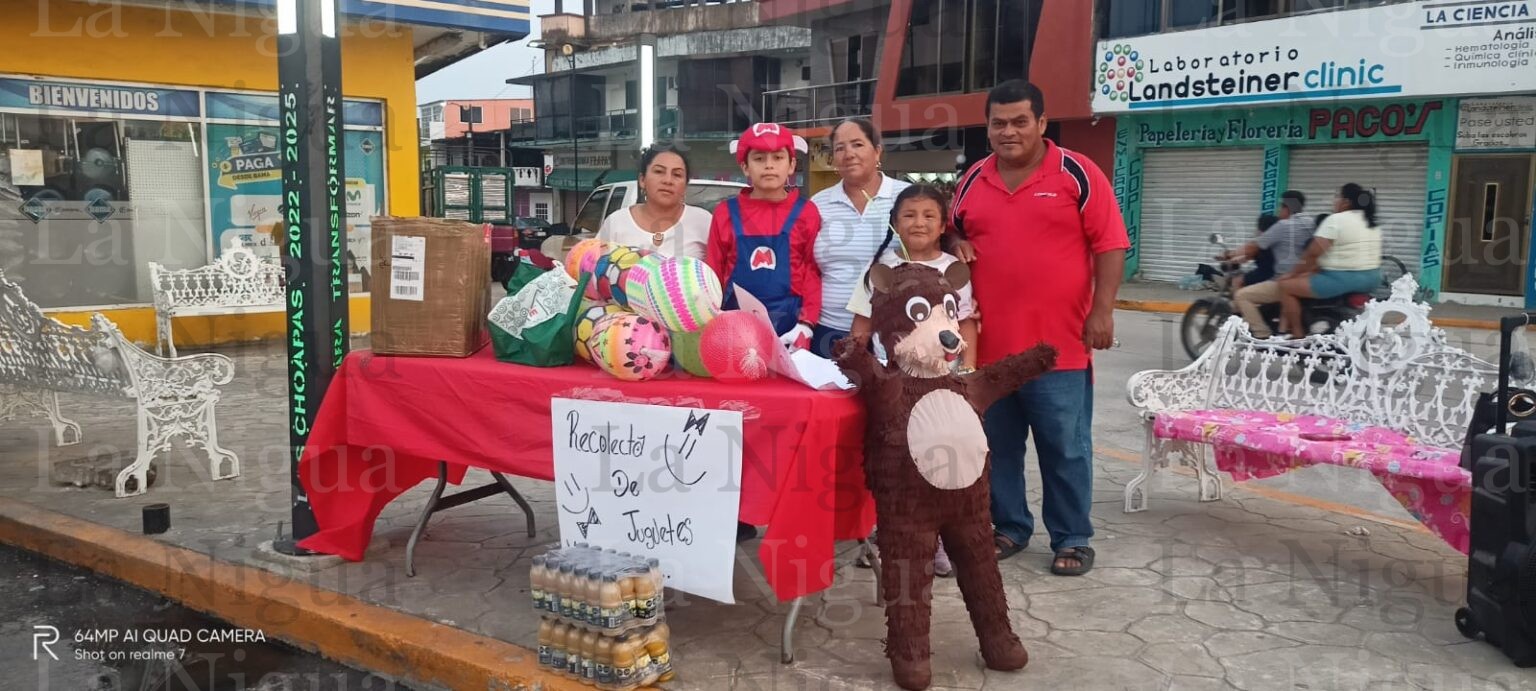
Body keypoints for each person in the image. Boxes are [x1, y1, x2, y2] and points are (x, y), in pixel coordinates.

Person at [949, 80, 1129, 576]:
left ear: (1042, 124)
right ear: (987, 128)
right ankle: (1009, 526)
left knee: (1065, 447)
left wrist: (1103, 310)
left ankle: (1072, 537)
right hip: (989, 352)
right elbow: (953, 229)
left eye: (1020, 121)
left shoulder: (1077, 173)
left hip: (1059, 349)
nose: (1008, 132)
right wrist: (956, 238)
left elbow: (1111, 242)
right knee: (996, 448)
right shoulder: (971, 181)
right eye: (998, 123)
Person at [844, 184, 976, 579]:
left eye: (928, 216)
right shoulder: (879, 273)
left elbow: (966, 322)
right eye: (909, 215)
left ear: (941, 226)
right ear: (895, 223)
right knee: (895, 463)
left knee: (936, 463)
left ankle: (935, 542)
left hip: (943, 386)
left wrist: (968, 371)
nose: (918, 223)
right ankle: (888, 537)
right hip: (894, 384)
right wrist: (857, 370)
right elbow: (861, 328)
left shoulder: (952, 271)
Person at [705, 122, 824, 352]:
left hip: (791, 329)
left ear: (791, 165)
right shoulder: (725, 212)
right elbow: (712, 273)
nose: (769, 166)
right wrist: (711, 318)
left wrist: (806, 325)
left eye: (778, 158)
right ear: (745, 167)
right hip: (734, 327)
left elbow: (812, 271)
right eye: (759, 158)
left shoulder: (807, 212)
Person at [810, 118, 911, 358]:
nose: (849, 154)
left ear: (877, 151)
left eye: (857, 144)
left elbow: (934, 247)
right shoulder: (818, 204)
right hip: (829, 330)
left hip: (894, 331)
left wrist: (958, 243)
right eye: (840, 148)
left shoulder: (907, 197)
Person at [1277, 183, 1383, 337]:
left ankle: (1297, 333)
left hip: (1341, 279)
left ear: (1346, 202)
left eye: (1337, 196)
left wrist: (1292, 274)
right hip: (1372, 278)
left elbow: (1313, 254)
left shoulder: (1336, 220)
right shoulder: (1372, 223)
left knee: (1285, 287)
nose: (1334, 200)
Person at [597, 143, 711, 259]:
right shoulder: (616, 222)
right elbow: (592, 268)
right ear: (642, 180)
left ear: (685, 185)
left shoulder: (704, 222)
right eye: (659, 172)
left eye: (677, 174)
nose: (668, 180)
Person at [1229, 191, 1317, 338]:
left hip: (1284, 281)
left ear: (1286, 207)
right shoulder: (1311, 223)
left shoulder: (1283, 225)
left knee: (1241, 295)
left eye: (1280, 206)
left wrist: (1230, 254)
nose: (1279, 211)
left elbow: (1253, 246)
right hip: (1307, 280)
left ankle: (1261, 333)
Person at [1229, 213, 1279, 292]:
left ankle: (1239, 302)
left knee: (1236, 281)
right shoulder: (1277, 241)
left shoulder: (1258, 243)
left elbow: (1239, 253)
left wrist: (1225, 256)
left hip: (1265, 274)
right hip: (1276, 274)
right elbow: (1248, 256)